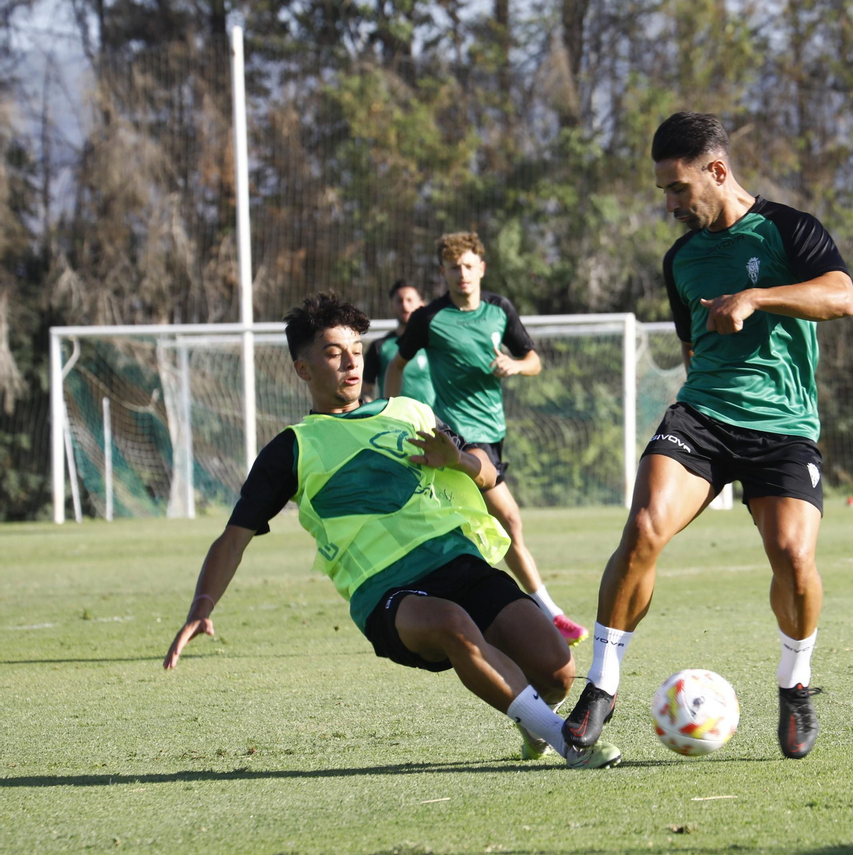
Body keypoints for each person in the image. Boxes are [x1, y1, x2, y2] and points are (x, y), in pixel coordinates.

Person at [163, 291, 619, 769]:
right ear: (303, 369)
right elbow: (233, 538)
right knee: (451, 625)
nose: (350, 364)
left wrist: (459, 460)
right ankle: (570, 744)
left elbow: (489, 473)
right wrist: (203, 604)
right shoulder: (293, 448)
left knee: (556, 673)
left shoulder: (411, 412)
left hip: (460, 563)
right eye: (333, 354)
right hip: (389, 591)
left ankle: (534, 722)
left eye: (356, 351)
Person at [563, 112, 853, 760]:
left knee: (792, 557)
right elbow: (693, 347)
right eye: (663, 190)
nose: (668, 203)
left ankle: (795, 682)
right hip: (703, 416)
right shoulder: (682, 260)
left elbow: (841, 296)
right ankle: (602, 685)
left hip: (783, 426)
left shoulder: (788, 229)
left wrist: (757, 296)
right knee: (642, 529)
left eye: (677, 188)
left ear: (717, 172)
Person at [385, 232, 589, 648]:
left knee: (487, 529)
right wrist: (392, 409)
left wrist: (514, 366)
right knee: (509, 520)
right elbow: (398, 364)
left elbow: (534, 361)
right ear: (443, 273)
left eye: (468, 266)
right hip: (459, 436)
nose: (462, 274)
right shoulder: (429, 318)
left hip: (494, 433)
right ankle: (549, 615)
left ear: (481, 268)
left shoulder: (499, 310)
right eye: (453, 268)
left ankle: (472, 610)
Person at [364, 280, 435, 405]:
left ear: (422, 304)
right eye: (399, 301)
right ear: (391, 306)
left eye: (409, 300)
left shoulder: (435, 344)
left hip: (433, 423)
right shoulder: (379, 346)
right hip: (394, 424)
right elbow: (366, 390)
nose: (404, 306)